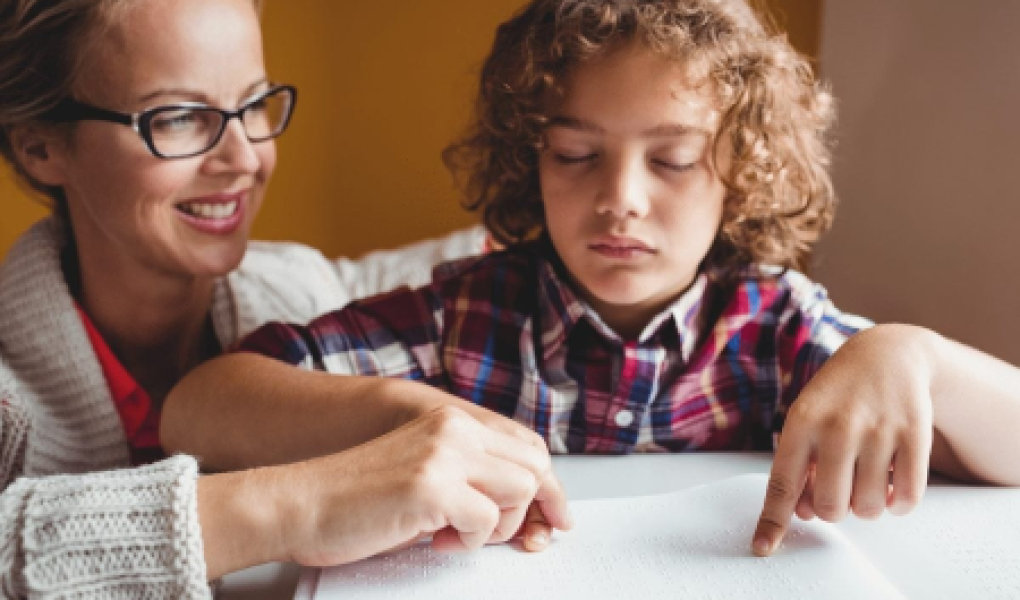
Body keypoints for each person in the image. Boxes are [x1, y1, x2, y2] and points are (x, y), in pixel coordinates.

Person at [163, 0, 1020, 563]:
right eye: (576, 155)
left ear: (741, 170)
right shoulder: (464, 317)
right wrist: (410, 413)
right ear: (530, 159)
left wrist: (912, 356)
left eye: (674, 160)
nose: (621, 200)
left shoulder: (778, 327)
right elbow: (198, 406)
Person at [0, 0, 571, 596]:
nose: (244, 157)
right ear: (40, 147)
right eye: (177, 118)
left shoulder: (299, 290)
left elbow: (435, 273)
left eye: (253, 104)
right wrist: (304, 504)